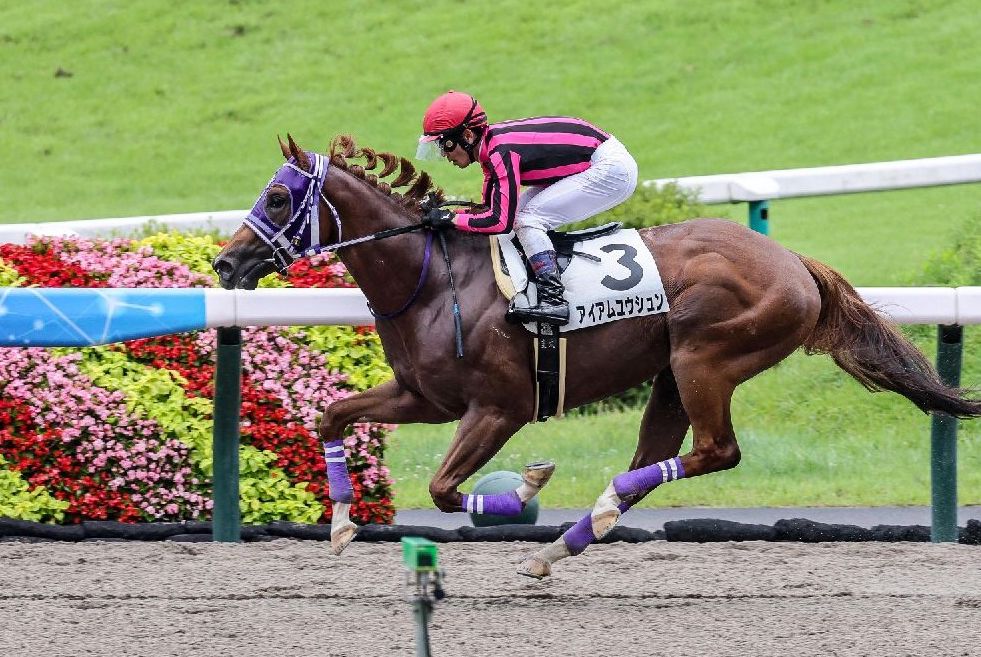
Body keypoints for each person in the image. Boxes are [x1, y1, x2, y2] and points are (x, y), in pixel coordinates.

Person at [416, 90, 639, 325]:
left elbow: (498, 222)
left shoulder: (500, 151)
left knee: (527, 220)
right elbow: (488, 210)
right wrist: (446, 214)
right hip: (597, 159)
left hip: (611, 169)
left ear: (468, 135)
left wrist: (450, 219)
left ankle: (554, 300)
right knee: (519, 218)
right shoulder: (491, 149)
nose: (445, 154)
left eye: (446, 144)